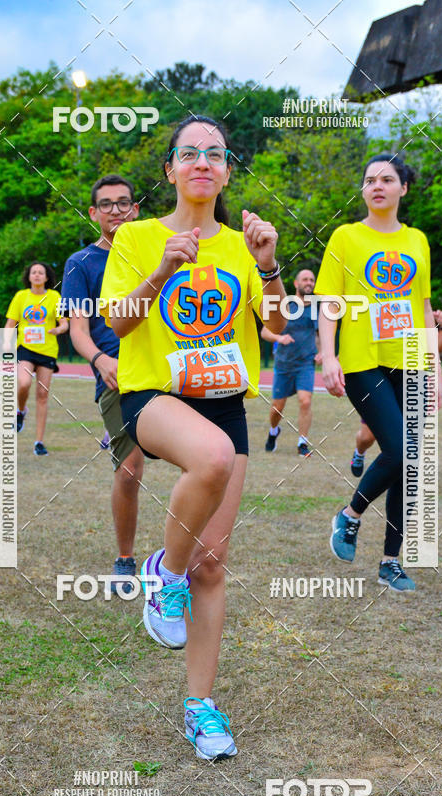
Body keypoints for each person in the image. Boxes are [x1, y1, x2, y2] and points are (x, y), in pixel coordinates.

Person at [101, 114, 285, 760]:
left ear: (227, 170)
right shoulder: (136, 237)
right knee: (207, 458)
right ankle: (161, 570)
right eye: (189, 152)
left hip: (227, 400)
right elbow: (118, 324)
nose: (202, 161)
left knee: (213, 562)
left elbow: (277, 325)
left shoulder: (240, 244)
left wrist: (269, 266)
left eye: (215, 153)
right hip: (156, 396)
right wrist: (158, 272)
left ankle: (200, 707)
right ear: (171, 170)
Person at [316, 152, 441, 593]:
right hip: (361, 360)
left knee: (411, 464)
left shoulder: (418, 240)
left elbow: (423, 308)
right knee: (403, 450)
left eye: (387, 179)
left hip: (408, 358)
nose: (377, 186)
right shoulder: (346, 237)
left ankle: (391, 561)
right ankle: (349, 516)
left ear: (403, 188)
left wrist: (433, 369)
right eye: (370, 180)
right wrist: (328, 356)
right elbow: (329, 301)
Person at [64, 174, 144, 590]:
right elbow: (78, 329)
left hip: (167, 371)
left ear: (136, 209)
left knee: (206, 462)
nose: (116, 210)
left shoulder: (155, 253)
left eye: (124, 203)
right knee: (130, 471)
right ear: (94, 213)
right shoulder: (81, 263)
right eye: (107, 204)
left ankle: (190, 557)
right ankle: (126, 559)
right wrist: (100, 359)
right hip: (116, 376)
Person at [350, 309, 442, 477]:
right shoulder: (375, 305)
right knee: (368, 437)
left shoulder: (416, 310)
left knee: (405, 444)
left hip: (410, 378)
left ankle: (397, 483)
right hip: (380, 379)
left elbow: (435, 349)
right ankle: (359, 453)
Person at [5, 262, 67, 456]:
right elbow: (10, 324)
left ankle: (39, 442)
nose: (38, 275)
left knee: (42, 395)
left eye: (41, 272)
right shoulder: (21, 296)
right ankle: (20, 411)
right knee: (23, 383)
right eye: (34, 272)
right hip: (25, 348)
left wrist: (58, 329)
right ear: (29, 276)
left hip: (47, 350)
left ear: (47, 277)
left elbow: (64, 323)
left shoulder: (55, 297)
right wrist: (5, 346)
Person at [261, 268, 321, 456]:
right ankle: (273, 431)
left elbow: (318, 335)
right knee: (277, 408)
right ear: (296, 284)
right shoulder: (284, 305)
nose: (309, 282)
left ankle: (302, 443)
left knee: (305, 401)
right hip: (284, 364)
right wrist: (279, 339)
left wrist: (322, 353)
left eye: (312, 280)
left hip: (305, 364)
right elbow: (265, 331)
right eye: (305, 279)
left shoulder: (316, 308)